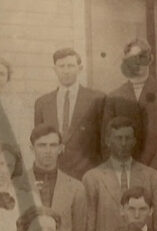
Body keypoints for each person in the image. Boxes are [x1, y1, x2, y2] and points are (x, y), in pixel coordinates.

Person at [82, 116, 157, 231]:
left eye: (128, 138)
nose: (123, 144)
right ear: (108, 141)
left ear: (134, 141)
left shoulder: (151, 175)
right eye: (118, 138)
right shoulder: (93, 178)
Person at [102, 38, 157, 202]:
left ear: (150, 60)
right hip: (125, 174)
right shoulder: (114, 96)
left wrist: (153, 170)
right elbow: (108, 138)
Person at [34, 48, 106, 179]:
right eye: (61, 66)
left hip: (87, 173)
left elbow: (104, 140)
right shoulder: (42, 103)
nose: (66, 71)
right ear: (54, 69)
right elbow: (38, 141)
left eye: (70, 66)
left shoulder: (97, 99)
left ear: (80, 68)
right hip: (53, 174)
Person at [25, 124, 88, 231]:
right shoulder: (18, 184)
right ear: (31, 148)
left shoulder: (76, 188)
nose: (48, 151)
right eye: (42, 145)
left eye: (53, 145)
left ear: (61, 149)